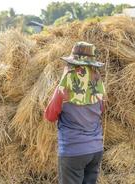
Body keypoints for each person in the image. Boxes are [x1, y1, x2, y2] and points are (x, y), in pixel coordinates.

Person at [44, 41, 106, 184]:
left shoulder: (65, 86)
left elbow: (50, 116)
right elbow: (101, 110)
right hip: (95, 150)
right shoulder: (98, 84)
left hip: (73, 151)